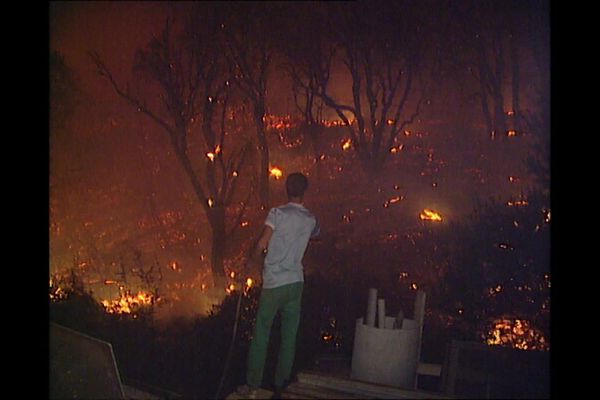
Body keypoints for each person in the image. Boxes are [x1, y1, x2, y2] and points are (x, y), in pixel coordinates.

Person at [237, 172, 320, 399]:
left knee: (262, 333)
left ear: (286, 189)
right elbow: (316, 232)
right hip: (296, 283)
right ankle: (281, 386)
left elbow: (263, 242)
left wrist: (251, 263)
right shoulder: (310, 219)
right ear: (304, 191)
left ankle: (253, 386)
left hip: (274, 283)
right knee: (289, 336)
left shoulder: (277, 213)